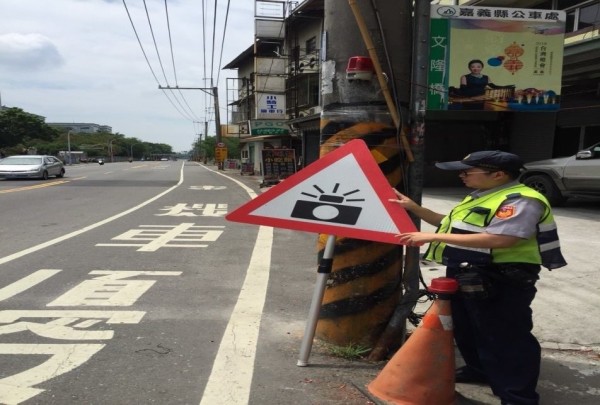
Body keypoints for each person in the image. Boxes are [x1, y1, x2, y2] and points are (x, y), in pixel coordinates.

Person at [390, 150, 567, 405]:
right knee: (467, 328)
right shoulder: (483, 195)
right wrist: (415, 209)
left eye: (467, 171)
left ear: (498, 174)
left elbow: (504, 238)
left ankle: (517, 396)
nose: (462, 176)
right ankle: (479, 370)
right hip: (467, 270)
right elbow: (450, 224)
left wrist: (432, 237)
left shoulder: (521, 199)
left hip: (500, 276)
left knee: (505, 337)